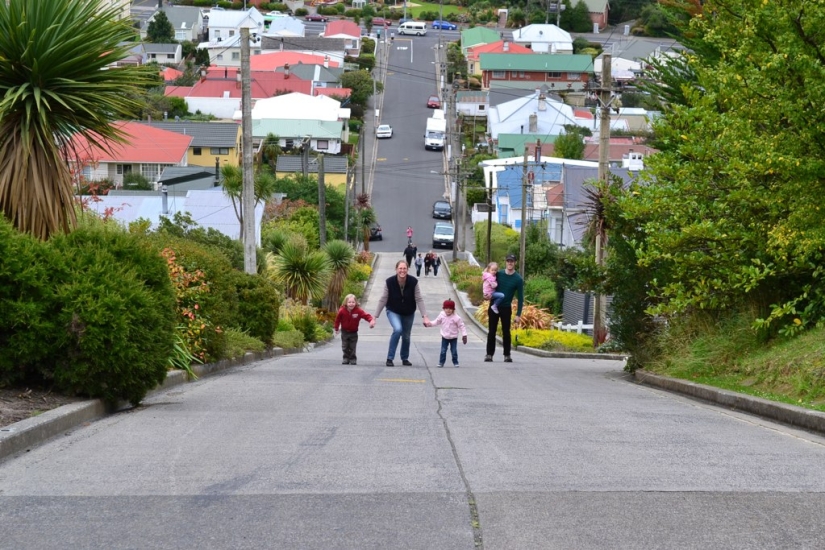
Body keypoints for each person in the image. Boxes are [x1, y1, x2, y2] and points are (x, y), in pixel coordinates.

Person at [374, 260, 430, 366]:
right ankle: (390, 358)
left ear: (407, 269)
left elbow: (419, 299)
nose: (402, 271)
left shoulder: (413, 282)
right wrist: (375, 317)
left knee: (406, 336)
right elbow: (383, 299)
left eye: (404, 268)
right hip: (393, 310)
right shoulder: (389, 282)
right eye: (400, 268)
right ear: (396, 269)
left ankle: (405, 358)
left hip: (408, 312)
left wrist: (425, 316)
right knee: (398, 329)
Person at [485, 254, 524, 363]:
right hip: (494, 306)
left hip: (506, 308)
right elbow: (488, 283)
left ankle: (507, 355)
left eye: (512, 261)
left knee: (506, 332)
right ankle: (489, 354)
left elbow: (520, 298)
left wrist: (518, 314)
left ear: (515, 263)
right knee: (491, 331)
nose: (510, 263)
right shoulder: (499, 274)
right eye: (508, 261)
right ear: (505, 262)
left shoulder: (518, 279)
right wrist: (486, 295)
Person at [334, 294, 375, 365]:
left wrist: (371, 320)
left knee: (353, 346)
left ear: (356, 303)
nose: (351, 304)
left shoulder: (358, 311)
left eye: (353, 302)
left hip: (353, 332)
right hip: (344, 332)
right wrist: (336, 328)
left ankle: (353, 358)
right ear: (345, 303)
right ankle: (346, 357)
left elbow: (366, 316)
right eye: (349, 302)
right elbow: (337, 320)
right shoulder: (342, 311)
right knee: (345, 346)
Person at [426, 299, 467, 368]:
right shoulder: (442, 315)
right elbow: (437, 321)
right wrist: (429, 324)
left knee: (454, 351)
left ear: (453, 309)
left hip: (453, 337)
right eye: (446, 308)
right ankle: (441, 362)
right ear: (444, 309)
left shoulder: (456, 317)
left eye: (450, 309)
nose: (448, 310)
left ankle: (455, 362)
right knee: (443, 350)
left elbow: (461, 326)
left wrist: (464, 335)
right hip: (444, 336)